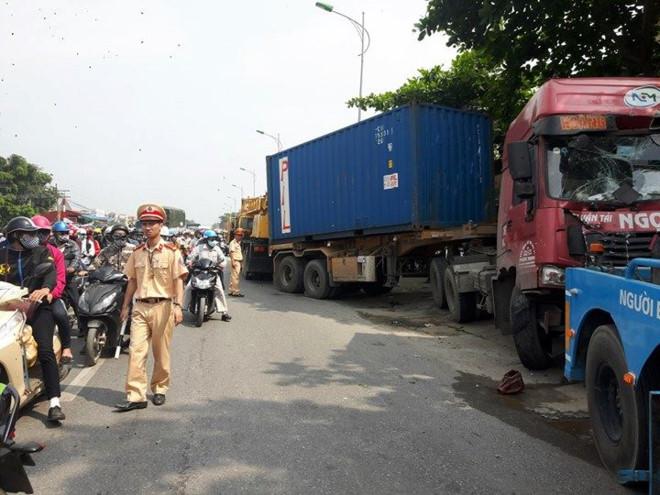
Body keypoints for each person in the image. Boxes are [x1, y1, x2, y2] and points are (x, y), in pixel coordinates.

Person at [114, 204, 188, 412]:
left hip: (163, 306)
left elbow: (179, 281)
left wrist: (178, 306)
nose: (147, 227)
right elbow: (132, 281)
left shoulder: (172, 251)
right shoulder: (137, 252)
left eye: (152, 223)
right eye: (144, 223)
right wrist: (125, 306)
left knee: (161, 352)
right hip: (140, 307)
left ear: (161, 225)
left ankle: (159, 389)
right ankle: (136, 395)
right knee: (136, 351)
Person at [0, 217, 65, 422]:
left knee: (45, 349)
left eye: (35, 234)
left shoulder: (40, 252)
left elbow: (50, 273)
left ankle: (55, 402)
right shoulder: (2, 254)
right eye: (29, 234)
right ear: (15, 236)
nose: (34, 238)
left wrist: (45, 289)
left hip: (36, 308)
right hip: (5, 308)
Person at [32, 216, 74, 363]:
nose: (40, 236)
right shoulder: (22, 252)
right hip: (25, 297)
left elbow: (60, 279)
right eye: (37, 232)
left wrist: (50, 294)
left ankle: (67, 347)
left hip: (50, 296)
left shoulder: (56, 253)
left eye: (44, 232)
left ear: (49, 233)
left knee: (60, 314)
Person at [184, 229, 231, 321]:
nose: (213, 241)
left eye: (214, 238)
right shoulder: (199, 248)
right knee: (188, 287)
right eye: (211, 239)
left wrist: (221, 265)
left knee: (219, 289)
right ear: (206, 239)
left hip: (212, 273)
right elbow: (190, 257)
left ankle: (224, 312)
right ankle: (183, 308)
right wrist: (189, 262)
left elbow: (223, 260)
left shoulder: (217, 249)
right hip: (199, 272)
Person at [51, 221, 82, 315]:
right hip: (52, 278)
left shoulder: (73, 245)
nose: (65, 235)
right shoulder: (49, 244)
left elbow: (77, 258)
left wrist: (72, 268)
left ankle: (81, 325)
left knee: (76, 303)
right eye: (62, 233)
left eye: (66, 233)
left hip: (68, 278)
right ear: (55, 234)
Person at [228, 228, 244, 297]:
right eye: (238, 235)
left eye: (241, 235)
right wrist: (233, 261)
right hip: (235, 261)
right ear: (235, 235)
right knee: (236, 277)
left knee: (233, 277)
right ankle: (235, 292)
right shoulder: (233, 243)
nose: (240, 236)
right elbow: (231, 253)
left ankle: (231, 290)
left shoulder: (238, 243)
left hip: (238, 261)